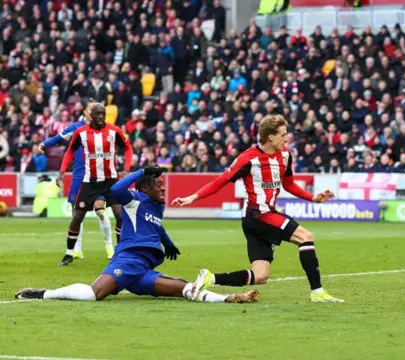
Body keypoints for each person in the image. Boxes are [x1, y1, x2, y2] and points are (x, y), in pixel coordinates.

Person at [16, 166, 259, 304]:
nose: (163, 187)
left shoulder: (156, 206)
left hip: (143, 269)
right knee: (93, 294)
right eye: (158, 185)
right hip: (128, 259)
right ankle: (43, 293)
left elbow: (156, 226)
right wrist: (141, 171)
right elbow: (115, 189)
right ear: (144, 187)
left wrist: (168, 243)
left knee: (186, 289)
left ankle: (229, 298)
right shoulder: (134, 199)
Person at [172, 115, 343, 303]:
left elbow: (289, 185)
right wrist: (193, 197)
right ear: (270, 136)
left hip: (258, 218)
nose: (286, 139)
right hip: (259, 215)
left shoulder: (285, 156)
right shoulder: (248, 159)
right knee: (306, 237)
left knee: (260, 276)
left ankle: (209, 278)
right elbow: (221, 181)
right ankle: (318, 292)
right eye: (283, 135)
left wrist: (314, 198)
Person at [56, 103, 133, 266]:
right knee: (77, 216)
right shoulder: (81, 132)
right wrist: (62, 172)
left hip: (111, 181)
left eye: (103, 114)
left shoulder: (114, 131)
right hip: (90, 182)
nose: (101, 117)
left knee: (120, 215)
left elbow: (128, 148)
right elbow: (70, 151)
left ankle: (119, 252)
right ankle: (69, 253)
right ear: (90, 115)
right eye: (97, 114)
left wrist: (126, 168)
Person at [40, 112, 114, 260]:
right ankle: (77, 250)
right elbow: (59, 137)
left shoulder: (104, 129)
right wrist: (44, 144)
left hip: (97, 177)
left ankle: (109, 246)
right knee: (77, 214)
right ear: (87, 113)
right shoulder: (76, 128)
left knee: (100, 209)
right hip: (79, 176)